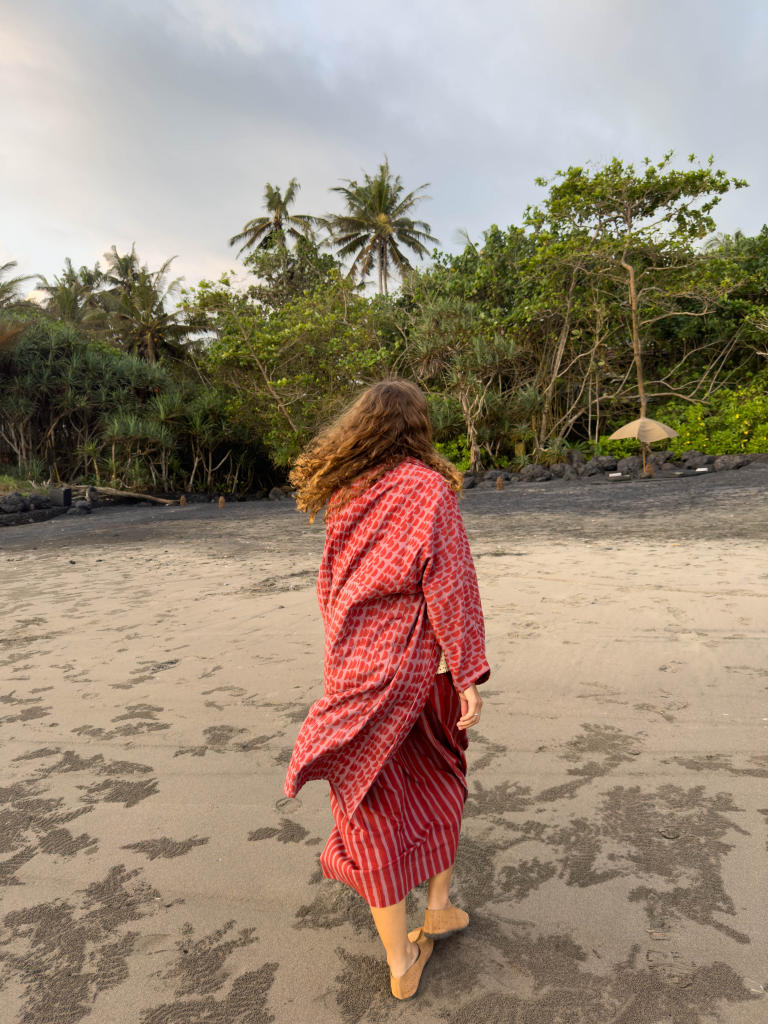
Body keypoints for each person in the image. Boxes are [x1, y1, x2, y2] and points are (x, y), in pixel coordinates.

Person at [284, 379, 490, 1000]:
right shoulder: (431, 491)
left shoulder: (346, 494)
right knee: (442, 777)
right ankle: (439, 905)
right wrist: (468, 670)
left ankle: (403, 955)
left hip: (356, 670)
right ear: (418, 428)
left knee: (372, 802)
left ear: (363, 428)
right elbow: (449, 585)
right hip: (419, 675)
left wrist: (347, 656)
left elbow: (331, 587)